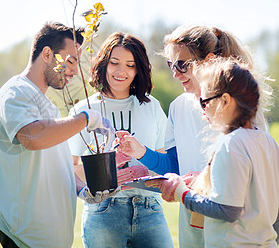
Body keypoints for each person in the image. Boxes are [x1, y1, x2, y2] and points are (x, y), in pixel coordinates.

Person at [114, 24, 270, 247]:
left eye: (182, 64)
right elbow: (176, 165)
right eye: (170, 65)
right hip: (192, 218)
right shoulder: (179, 107)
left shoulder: (240, 107)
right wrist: (142, 154)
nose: (175, 73)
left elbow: (255, 171)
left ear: (207, 61)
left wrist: (205, 179)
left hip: (235, 226)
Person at [0, 22, 119, 248]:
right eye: (71, 60)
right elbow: (32, 137)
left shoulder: (47, 105)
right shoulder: (16, 92)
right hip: (24, 238)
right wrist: (85, 118)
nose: (75, 71)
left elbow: (55, 163)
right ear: (47, 54)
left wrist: (81, 189)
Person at [146, 58, 279, 247]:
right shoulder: (268, 141)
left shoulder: (230, 144)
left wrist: (181, 193)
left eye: (205, 102)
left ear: (225, 100)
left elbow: (227, 210)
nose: (202, 111)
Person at [68, 32, 174, 247]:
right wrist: (104, 171)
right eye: (114, 63)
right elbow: (71, 168)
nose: (121, 71)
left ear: (139, 69)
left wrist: (146, 168)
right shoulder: (83, 110)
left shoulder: (151, 106)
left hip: (149, 207)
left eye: (130, 65)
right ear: (103, 64)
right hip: (103, 209)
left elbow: (165, 160)